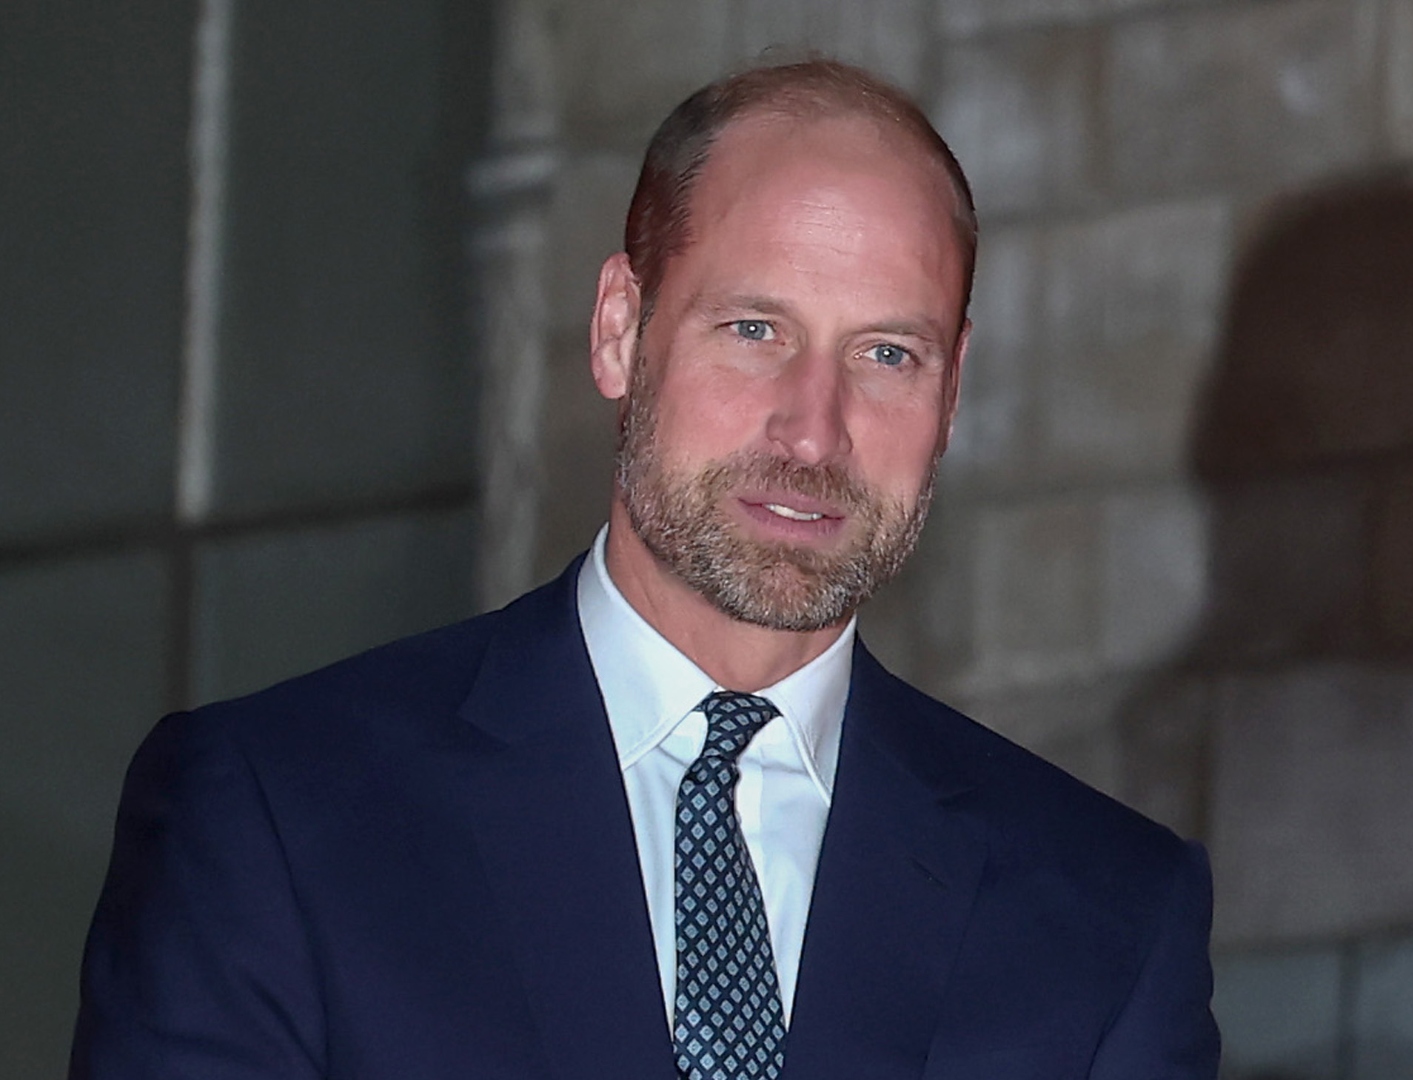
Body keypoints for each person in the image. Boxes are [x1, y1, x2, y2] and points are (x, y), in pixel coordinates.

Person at [71, 59, 1220, 1080]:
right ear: (621, 328)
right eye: (755, 330)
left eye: (886, 353)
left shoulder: (1110, 918)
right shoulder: (279, 817)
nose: (813, 431)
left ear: (953, 388)